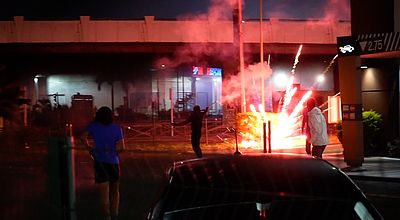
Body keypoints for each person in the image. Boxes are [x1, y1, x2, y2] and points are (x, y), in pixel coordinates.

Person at [81, 106, 125, 220]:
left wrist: (90, 148)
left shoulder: (94, 126)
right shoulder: (117, 128)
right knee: (115, 190)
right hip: (113, 162)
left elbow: (83, 137)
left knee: (104, 192)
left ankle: (106, 216)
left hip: (100, 162)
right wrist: (114, 151)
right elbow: (122, 147)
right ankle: (115, 214)